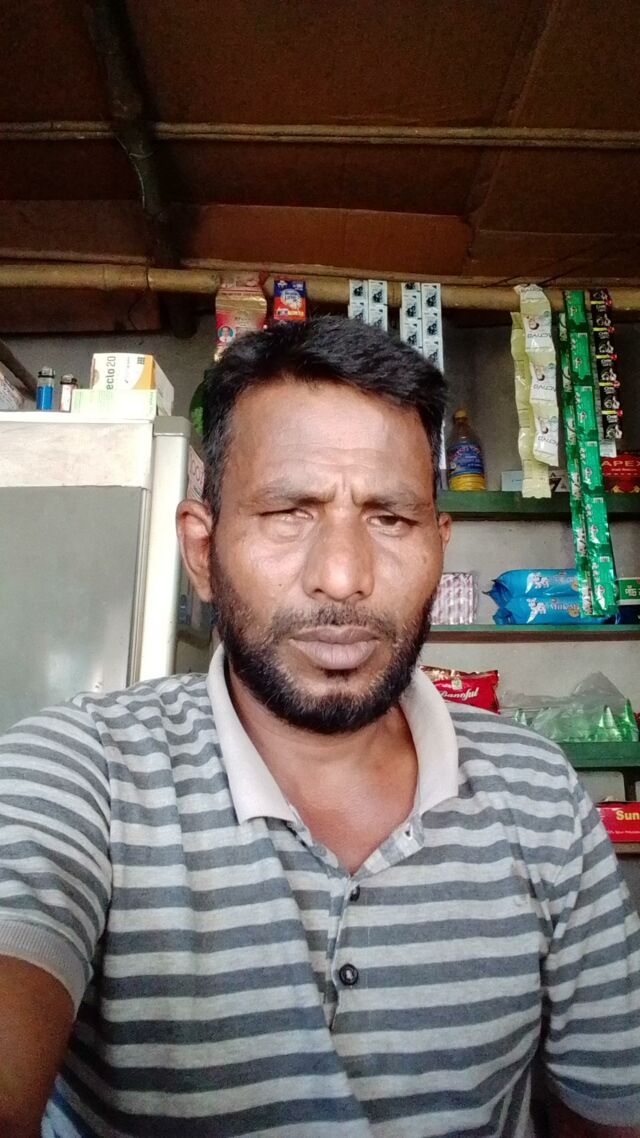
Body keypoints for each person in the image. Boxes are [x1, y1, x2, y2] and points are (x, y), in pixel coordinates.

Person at [0, 316, 639, 1138]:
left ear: (439, 547)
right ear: (202, 549)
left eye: (389, 518)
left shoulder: (541, 795)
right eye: (288, 512)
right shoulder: (80, 773)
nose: (342, 577)